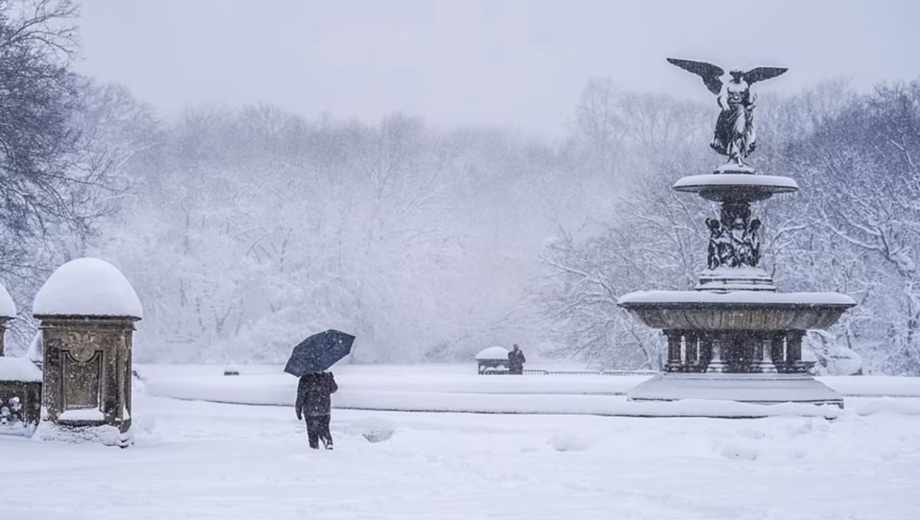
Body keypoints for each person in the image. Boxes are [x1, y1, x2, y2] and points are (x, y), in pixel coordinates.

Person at [295, 371, 338, 449]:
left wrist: (298, 410)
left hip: (310, 411)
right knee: (325, 428)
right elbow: (334, 389)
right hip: (325, 409)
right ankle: (327, 441)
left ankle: (314, 448)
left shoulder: (305, 378)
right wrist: (330, 378)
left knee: (312, 432)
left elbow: (300, 396)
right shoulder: (326, 376)